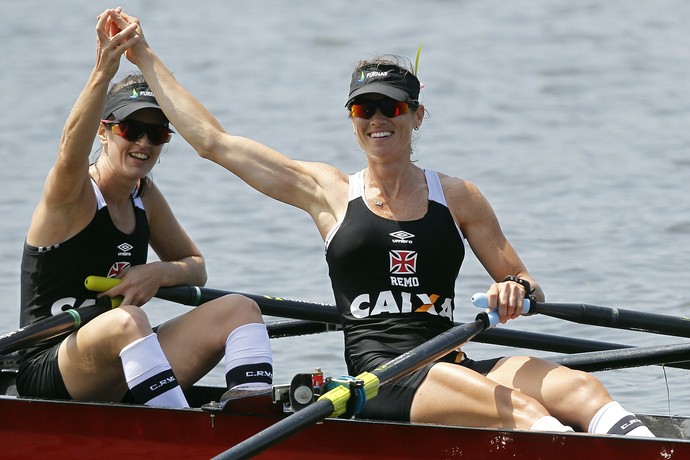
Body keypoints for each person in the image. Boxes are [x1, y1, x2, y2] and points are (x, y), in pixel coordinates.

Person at [112, 10, 653, 436]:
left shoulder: (460, 197)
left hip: (453, 360)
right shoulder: (327, 191)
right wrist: (144, 54)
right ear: (351, 120)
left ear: (417, 116)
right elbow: (214, 143)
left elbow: (525, 280)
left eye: (391, 109)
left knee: (581, 388)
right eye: (363, 109)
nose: (377, 120)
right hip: (381, 378)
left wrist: (513, 289)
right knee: (527, 413)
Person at [16, 9, 273, 408]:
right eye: (131, 130)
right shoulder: (72, 192)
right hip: (49, 367)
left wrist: (157, 272)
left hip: (122, 354)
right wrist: (104, 69)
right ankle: (176, 431)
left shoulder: (144, 196)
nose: (144, 144)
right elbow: (70, 152)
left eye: (156, 133)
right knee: (128, 321)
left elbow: (194, 264)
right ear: (103, 131)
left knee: (241, 308)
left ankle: (253, 415)